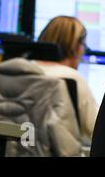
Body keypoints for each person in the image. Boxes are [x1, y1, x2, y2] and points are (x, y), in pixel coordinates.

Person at [35, 16, 99, 145]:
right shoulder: (71, 79)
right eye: (83, 45)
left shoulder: (20, 69)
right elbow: (98, 130)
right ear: (75, 46)